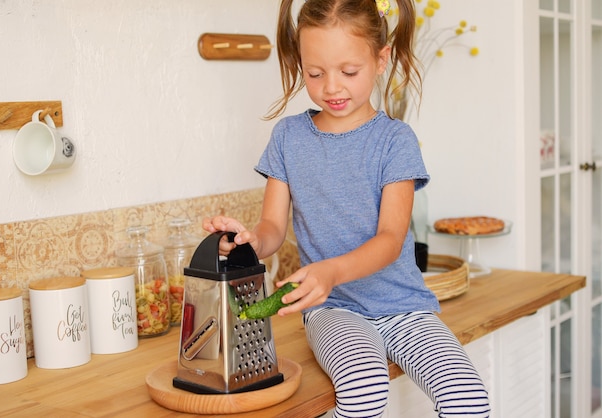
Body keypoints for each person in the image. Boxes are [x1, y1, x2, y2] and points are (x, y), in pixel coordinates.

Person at [203, 0, 490, 416]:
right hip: (334, 310)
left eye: (349, 72)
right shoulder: (288, 138)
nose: (332, 87)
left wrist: (331, 270)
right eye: (315, 73)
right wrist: (246, 241)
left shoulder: (395, 141)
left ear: (380, 59)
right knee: (365, 389)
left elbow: (391, 240)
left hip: (406, 307)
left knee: (468, 397)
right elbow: (272, 228)